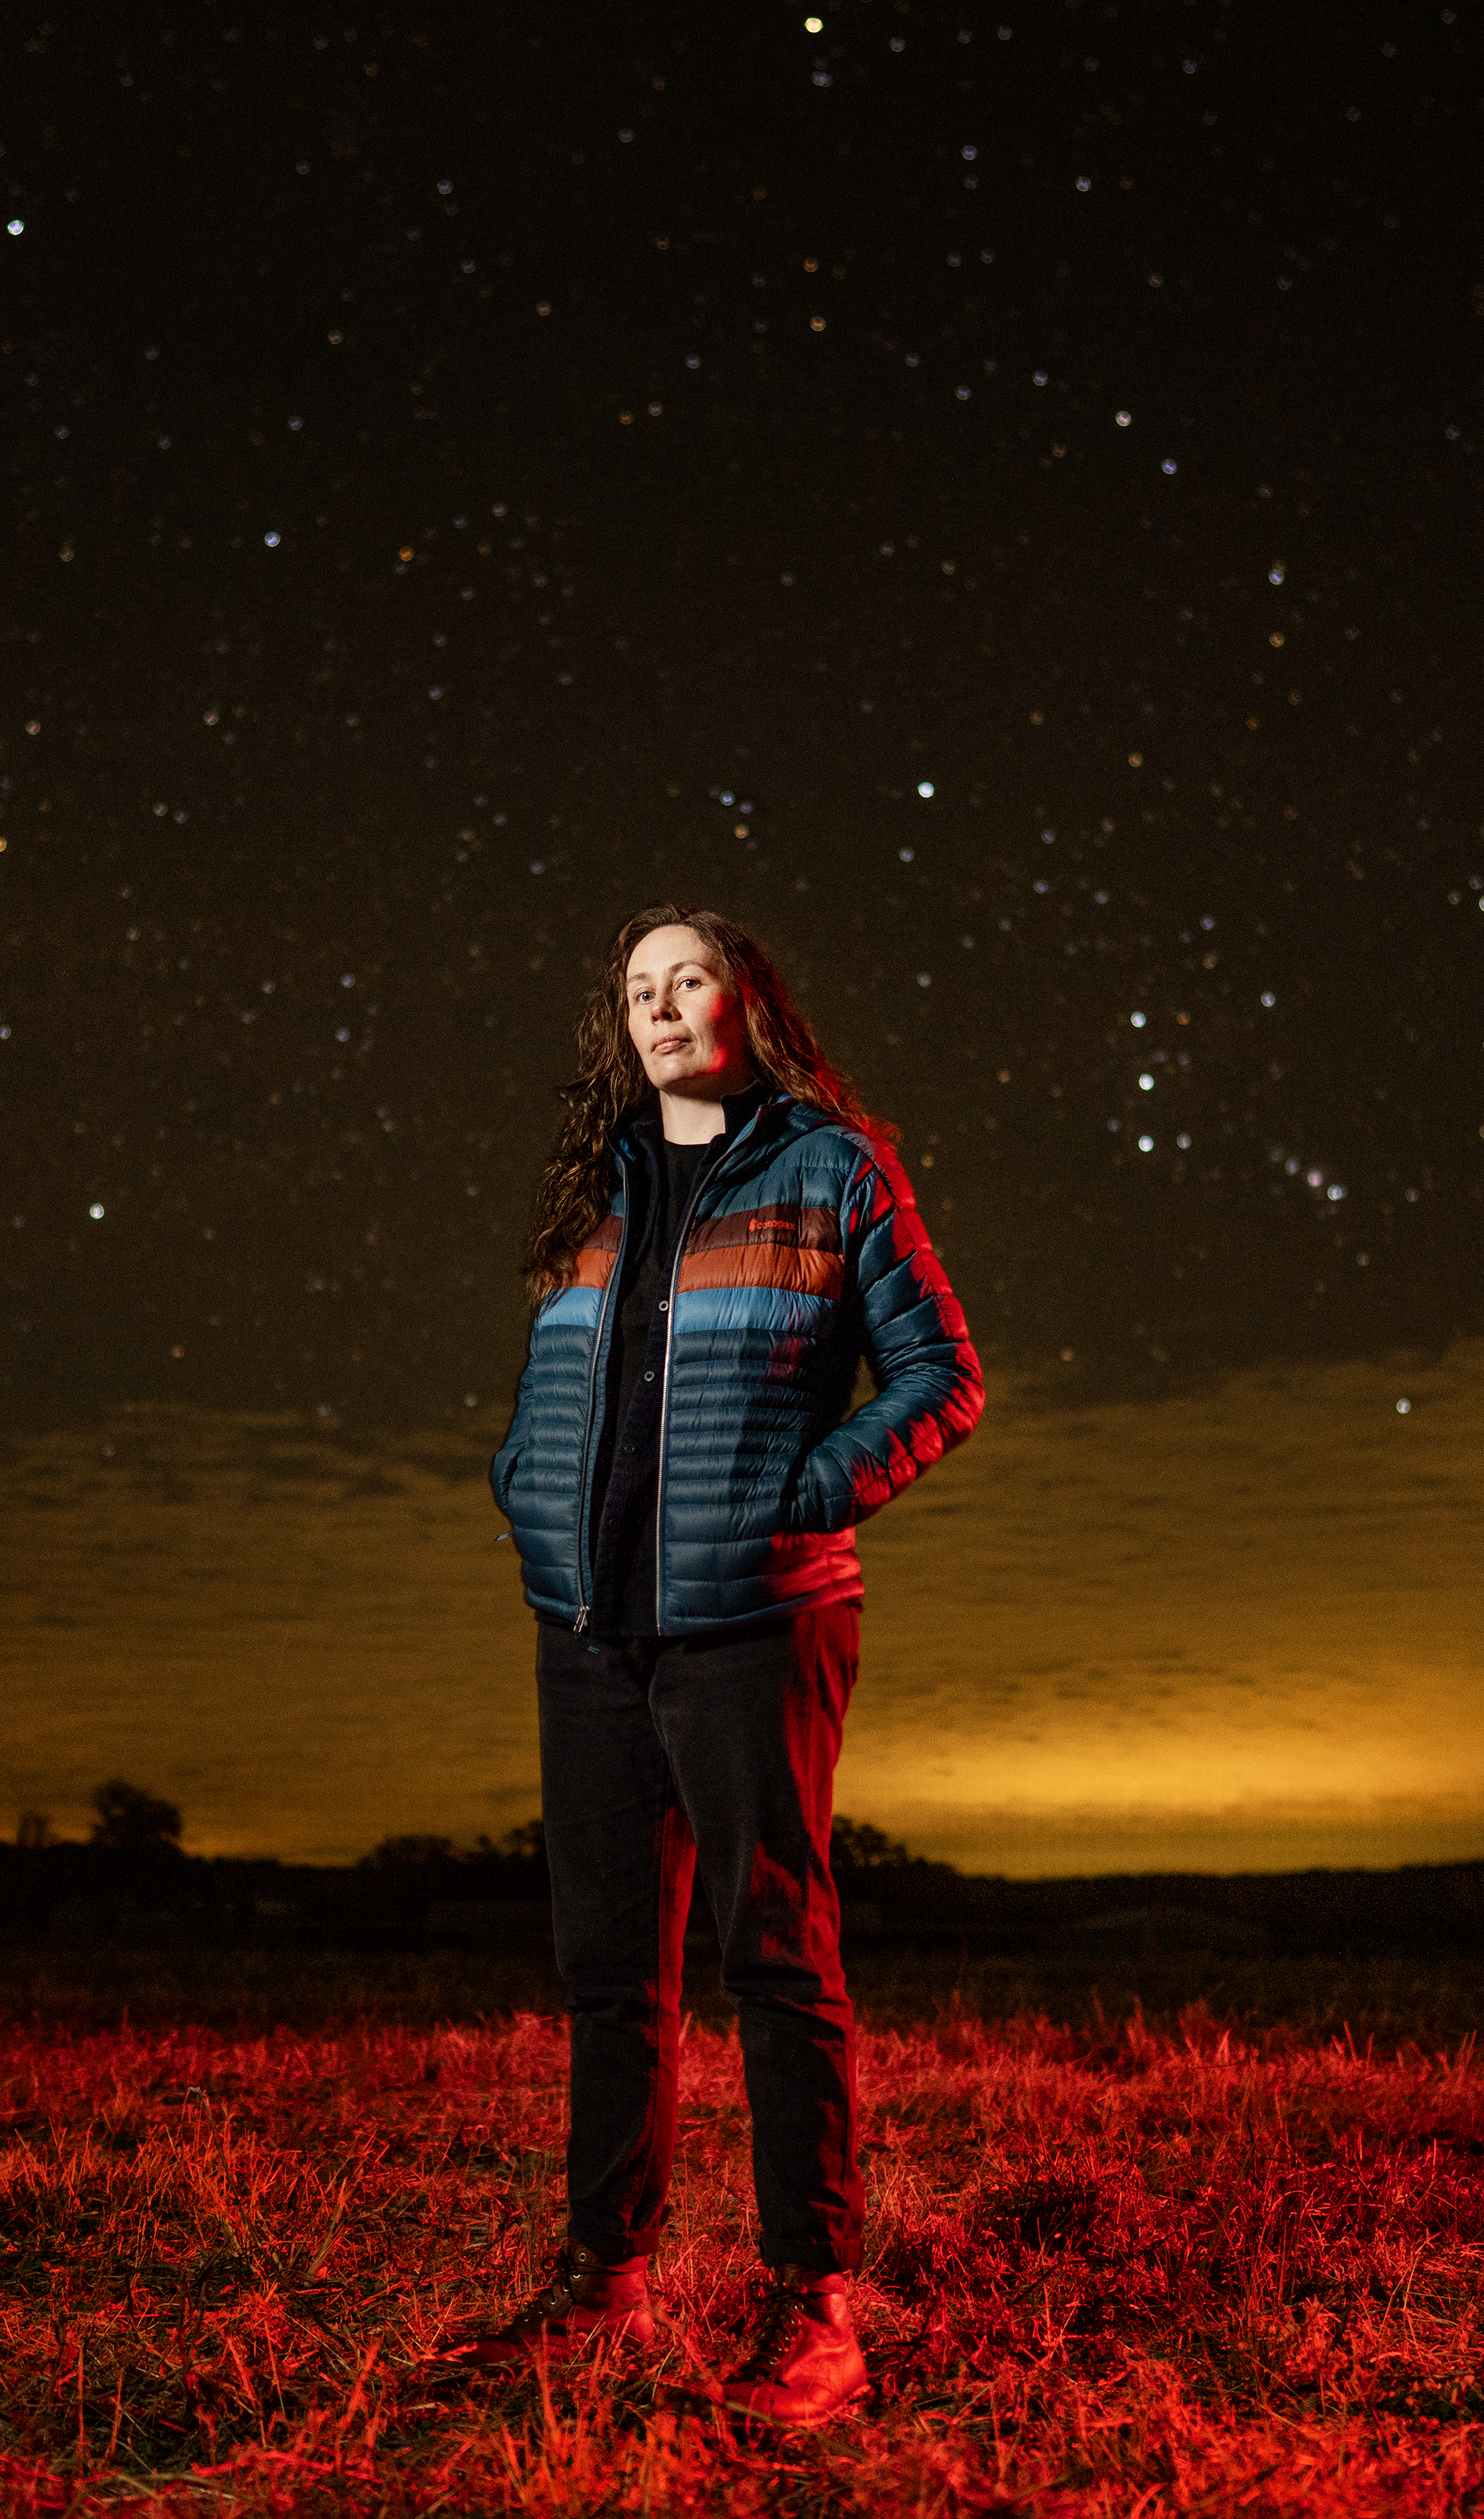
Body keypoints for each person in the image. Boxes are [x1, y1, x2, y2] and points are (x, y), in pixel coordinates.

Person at [441, 902, 984, 2427]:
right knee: (611, 1978)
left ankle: (816, 2309)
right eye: (640, 990)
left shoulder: (834, 1169)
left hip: (756, 1625)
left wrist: (804, 1497)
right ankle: (601, 2283)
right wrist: (520, 1486)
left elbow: (944, 1375)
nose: (666, 1008)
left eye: (693, 980)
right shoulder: (594, 1189)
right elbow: (558, 1384)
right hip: (588, 1631)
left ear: (752, 1003)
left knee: (776, 1962)